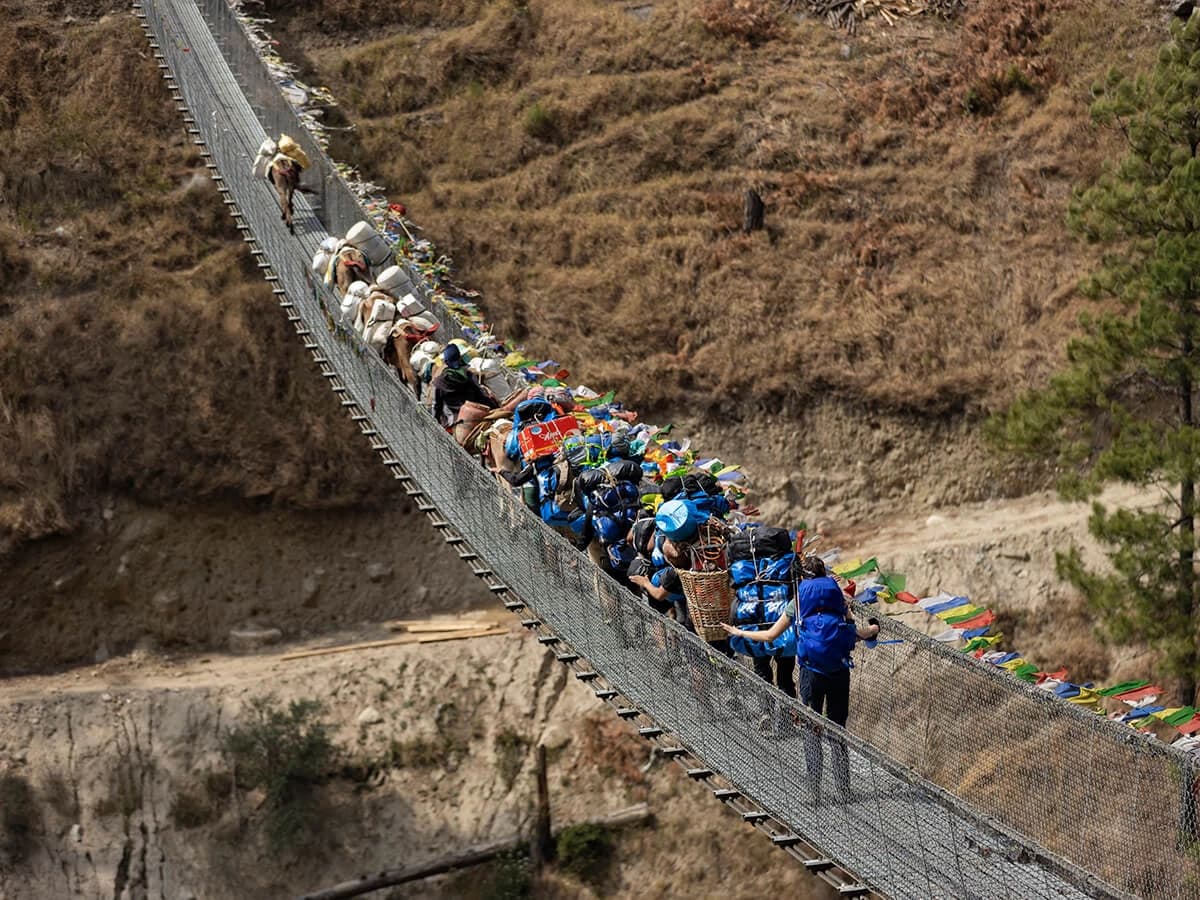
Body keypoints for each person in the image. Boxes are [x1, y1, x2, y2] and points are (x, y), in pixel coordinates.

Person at [720, 560, 879, 798]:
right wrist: (875, 629)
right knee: (838, 730)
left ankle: (814, 792)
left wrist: (739, 632)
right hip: (839, 672)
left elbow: (770, 635)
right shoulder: (838, 598)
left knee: (811, 730)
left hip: (810, 674)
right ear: (823, 575)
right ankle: (845, 792)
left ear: (802, 579)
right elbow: (855, 633)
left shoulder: (798, 603)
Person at [431, 344, 497, 428]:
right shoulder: (469, 374)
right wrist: (494, 408)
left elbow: (437, 406)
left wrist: (435, 421)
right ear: (459, 358)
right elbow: (481, 395)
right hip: (477, 416)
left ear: (446, 362)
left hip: (455, 421)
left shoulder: (439, 382)